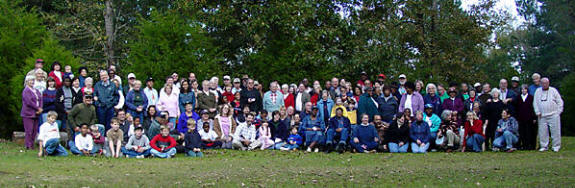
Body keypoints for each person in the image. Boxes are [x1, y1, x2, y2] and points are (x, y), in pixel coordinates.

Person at [533, 77, 563, 152]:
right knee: (542, 132)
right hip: (542, 115)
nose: (544, 84)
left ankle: (556, 146)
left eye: (546, 83)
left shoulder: (553, 90)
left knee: (555, 131)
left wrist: (558, 112)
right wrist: (537, 112)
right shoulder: (538, 91)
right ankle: (544, 146)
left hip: (553, 115)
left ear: (548, 83)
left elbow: (560, 102)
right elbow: (535, 103)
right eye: (543, 83)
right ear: (540, 84)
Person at [21, 75, 43, 150]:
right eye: (30, 80)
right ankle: (28, 145)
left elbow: (40, 99)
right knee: (29, 130)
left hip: (36, 113)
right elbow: (28, 102)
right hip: (28, 113)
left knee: (34, 130)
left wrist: (40, 108)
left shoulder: (36, 90)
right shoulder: (26, 91)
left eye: (33, 80)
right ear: (27, 82)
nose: (32, 82)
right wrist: (37, 108)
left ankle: (32, 145)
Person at [515, 84, 537, 150]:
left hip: (529, 118)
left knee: (529, 132)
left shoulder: (531, 97)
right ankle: (523, 145)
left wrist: (534, 117)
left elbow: (533, 108)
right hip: (520, 118)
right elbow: (516, 108)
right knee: (522, 132)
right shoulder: (518, 97)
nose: (523, 90)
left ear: (527, 90)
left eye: (525, 89)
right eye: (522, 89)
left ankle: (529, 146)